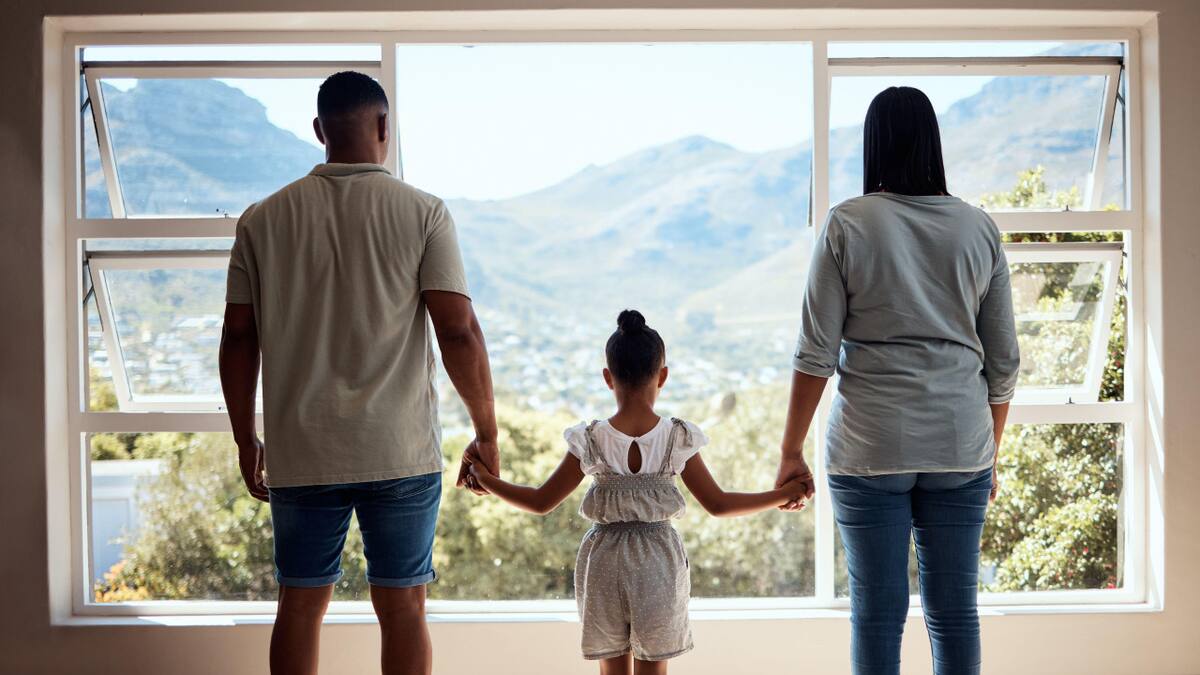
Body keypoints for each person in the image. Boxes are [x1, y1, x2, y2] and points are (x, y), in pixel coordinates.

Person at [218, 70, 499, 675]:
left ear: (319, 131)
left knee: (300, 603)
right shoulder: (423, 212)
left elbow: (238, 338)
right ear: (384, 129)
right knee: (403, 609)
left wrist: (246, 438)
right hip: (398, 450)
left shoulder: (261, 220)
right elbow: (458, 331)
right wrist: (487, 431)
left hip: (302, 450)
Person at [774, 87, 1020, 675]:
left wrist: (790, 451)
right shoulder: (977, 228)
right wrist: (988, 452)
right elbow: (1003, 362)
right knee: (956, 615)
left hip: (869, 444)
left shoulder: (847, 224)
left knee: (877, 617)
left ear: (874, 144)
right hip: (960, 443)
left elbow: (816, 353)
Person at [465, 309, 812, 675]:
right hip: (658, 563)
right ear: (662, 376)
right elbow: (719, 503)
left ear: (607, 378)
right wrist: (784, 494)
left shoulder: (590, 438)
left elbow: (540, 501)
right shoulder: (677, 438)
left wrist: (484, 477)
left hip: (603, 562)